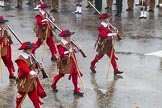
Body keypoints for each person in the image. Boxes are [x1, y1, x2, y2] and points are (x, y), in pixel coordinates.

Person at [51, 29, 84, 97]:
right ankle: (54, 84)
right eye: (68, 36)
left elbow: (74, 50)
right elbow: (61, 53)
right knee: (61, 74)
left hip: (73, 60)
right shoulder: (60, 44)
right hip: (65, 61)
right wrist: (69, 51)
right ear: (64, 37)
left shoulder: (71, 42)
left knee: (75, 74)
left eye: (69, 36)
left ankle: (76, 90)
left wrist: (78, 49)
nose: (70, 37)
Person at [15, 41, 47, 108]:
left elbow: (33, 66)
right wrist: (31, 72)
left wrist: (39, 66)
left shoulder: (31, 56)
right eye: (29, 48)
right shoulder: (20, 59)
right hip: (23, 83)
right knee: (19, 100)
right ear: (25, 49)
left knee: (35, 99)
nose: (31, 49)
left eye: (31, 48)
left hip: (32, 82)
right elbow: (24, 68)